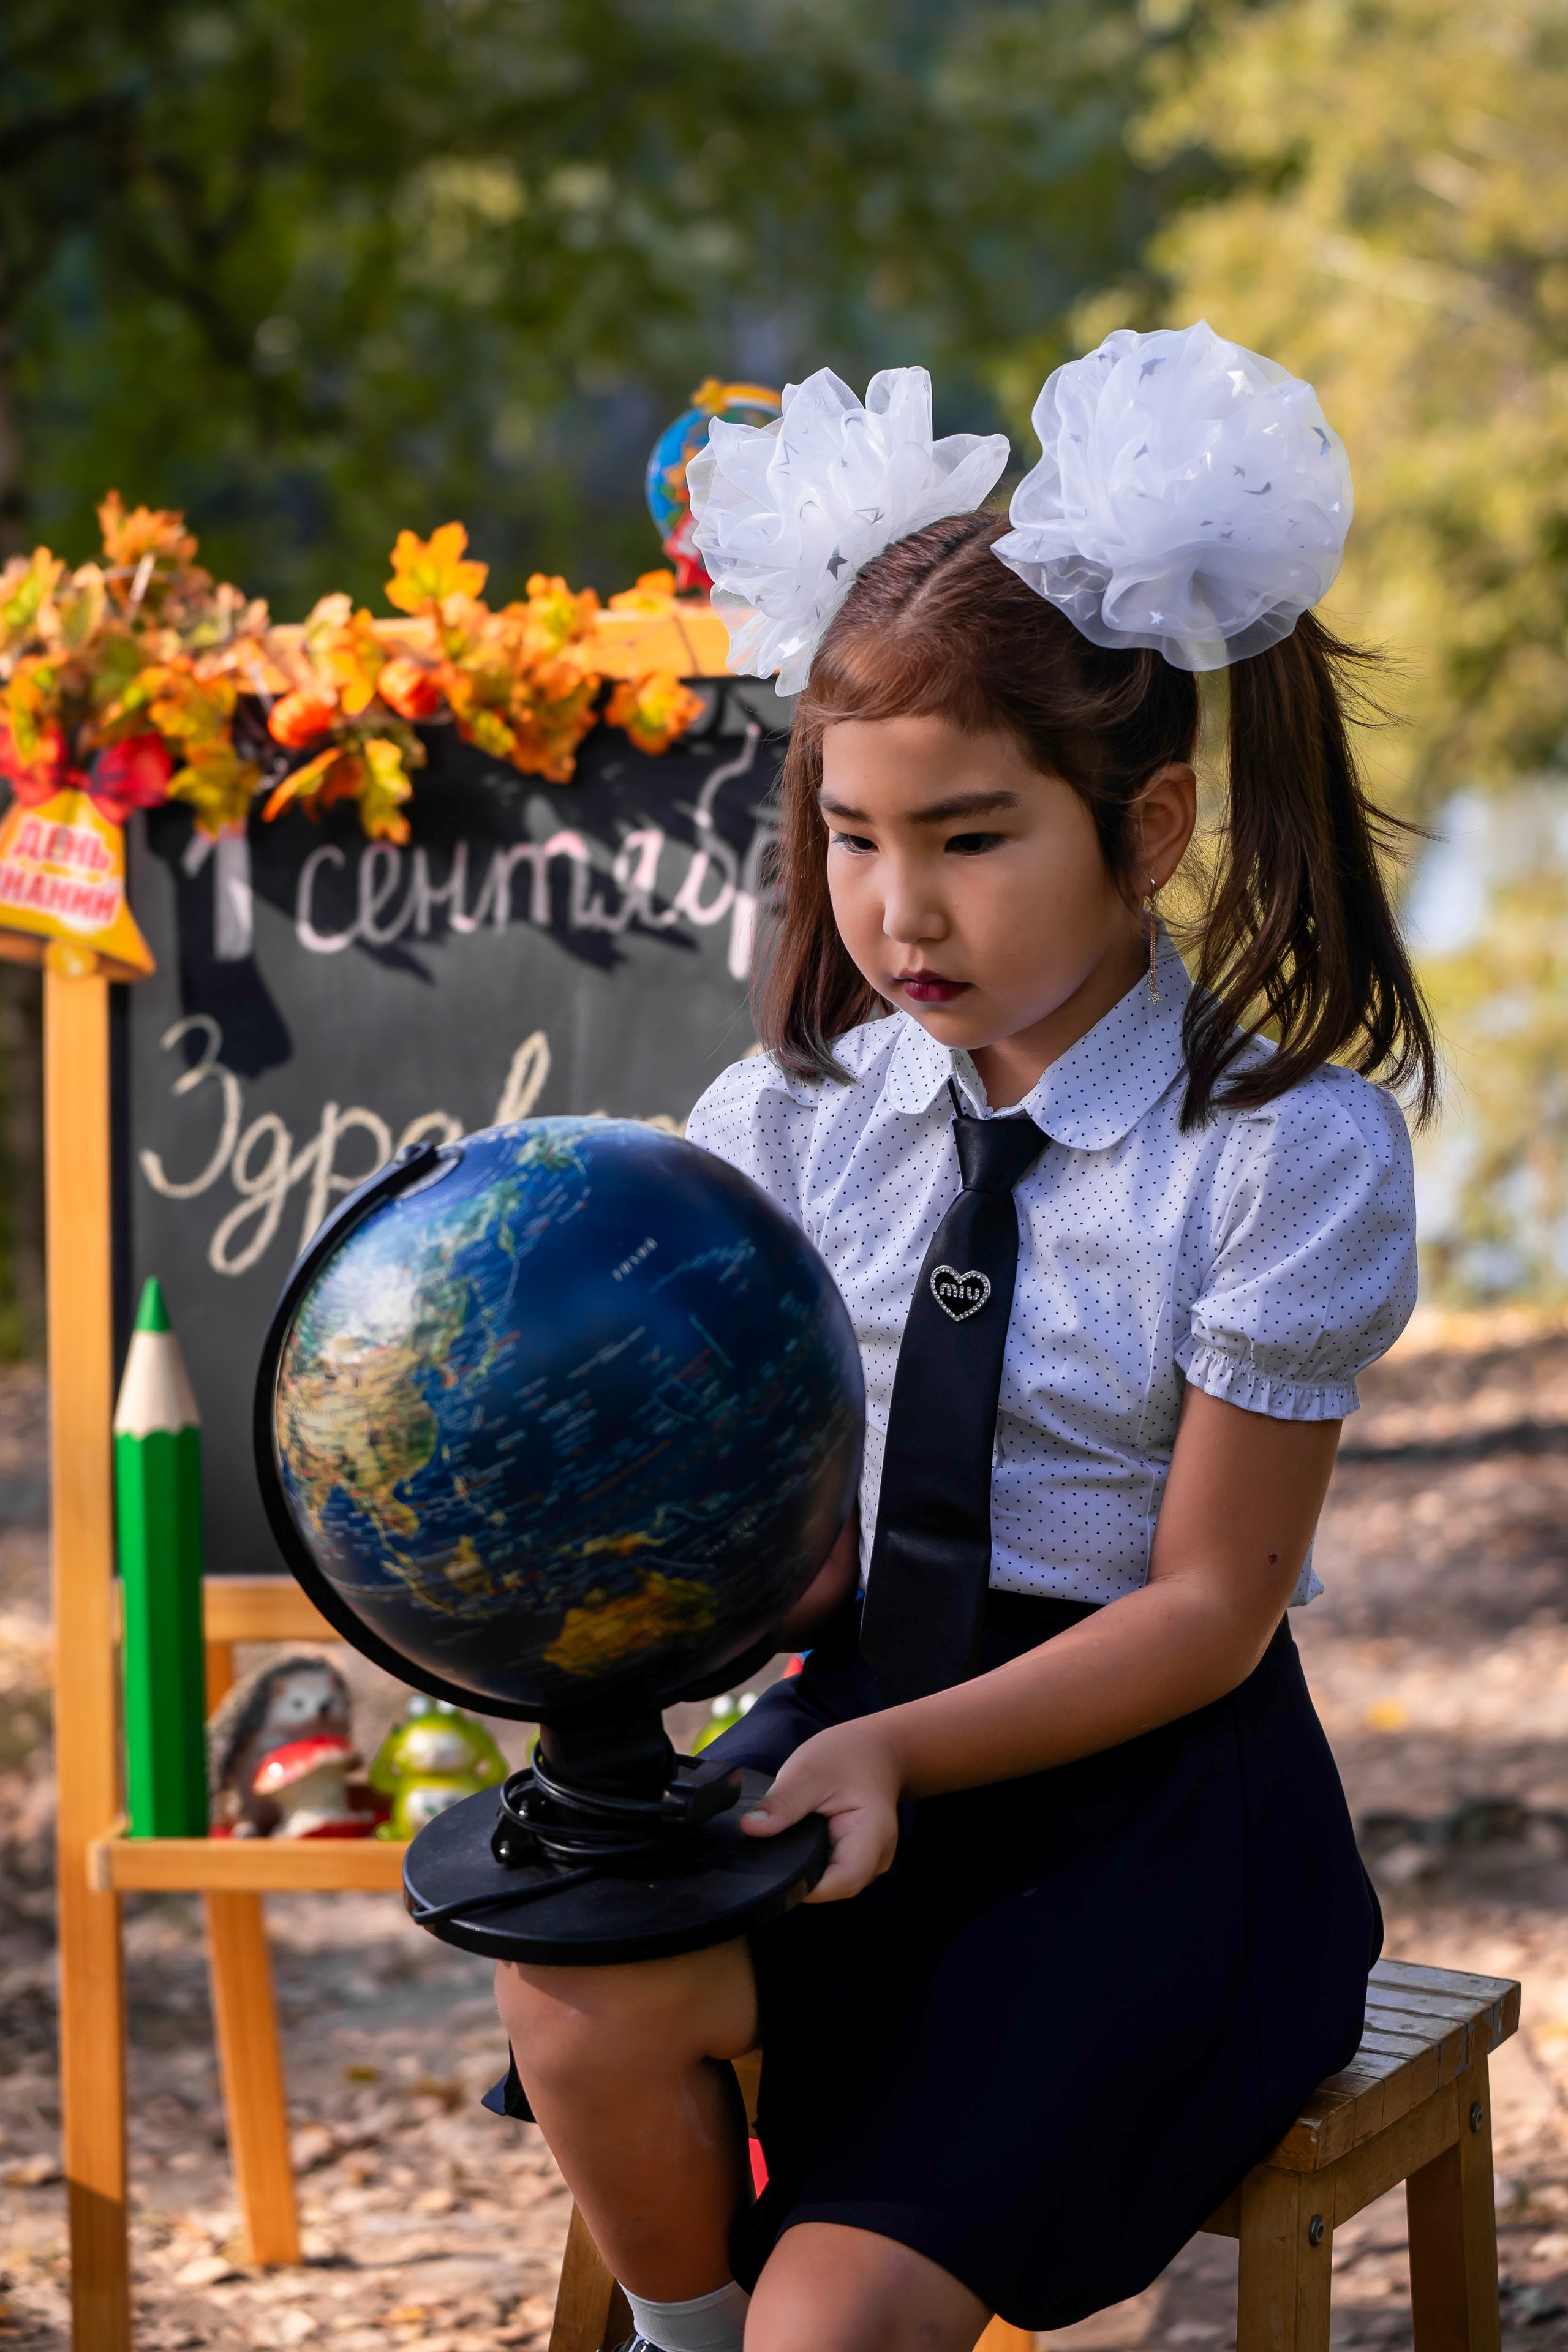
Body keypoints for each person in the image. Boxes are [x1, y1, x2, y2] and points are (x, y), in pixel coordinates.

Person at [491, 323, 1438, 2352]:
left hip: (1144, 1814)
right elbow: (790, 1531)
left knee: (836, 2318)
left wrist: (895, 1751)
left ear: (1149, 827)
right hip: (850, 1726)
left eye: (970, 838)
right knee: (574, 1991)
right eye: (855, 838)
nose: (897, 912)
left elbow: (1213, 1611)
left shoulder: (1281, 1156)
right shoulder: (790, 1130)